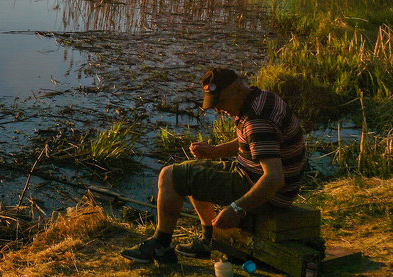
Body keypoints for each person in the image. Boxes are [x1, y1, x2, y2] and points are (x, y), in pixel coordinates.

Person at [121, 68, 306, 264]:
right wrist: (216, 152)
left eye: (220, 102)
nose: (218, 109)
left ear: (235, 88)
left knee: (170, 176)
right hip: (266, 182)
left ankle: (160, 245)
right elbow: (256, 143)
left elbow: (274, 178)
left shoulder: (256, 119)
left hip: (270, 194)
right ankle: (208, 240)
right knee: (193, 169)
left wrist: (236, 209)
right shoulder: (261, 99)